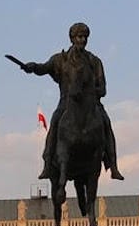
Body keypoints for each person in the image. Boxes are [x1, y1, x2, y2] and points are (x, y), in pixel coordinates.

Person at [14, 22, 124, 182]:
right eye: (79, 37)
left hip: (91, 105)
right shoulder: (60, 59)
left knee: (106, 123)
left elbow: (103, 89)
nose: (83, 40)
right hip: (66, 103)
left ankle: (113, 166)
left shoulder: (94, 61)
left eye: (85, 37)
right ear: (72, 38)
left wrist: (88, 93)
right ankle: (47, 162)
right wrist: (32, 67)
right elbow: (43, 68)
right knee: (55, 121)